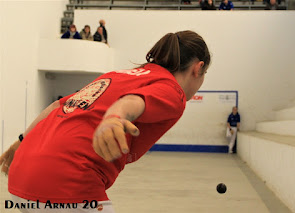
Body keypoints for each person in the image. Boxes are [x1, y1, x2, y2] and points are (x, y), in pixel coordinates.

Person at [0, 30, 211, 212]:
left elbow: (57, 107)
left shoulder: (117, 75)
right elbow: (131, 102)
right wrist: (114, 117)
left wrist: (20, 142)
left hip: (22, 175)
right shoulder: (172, 90)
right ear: (198, 68)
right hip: (68, 181)